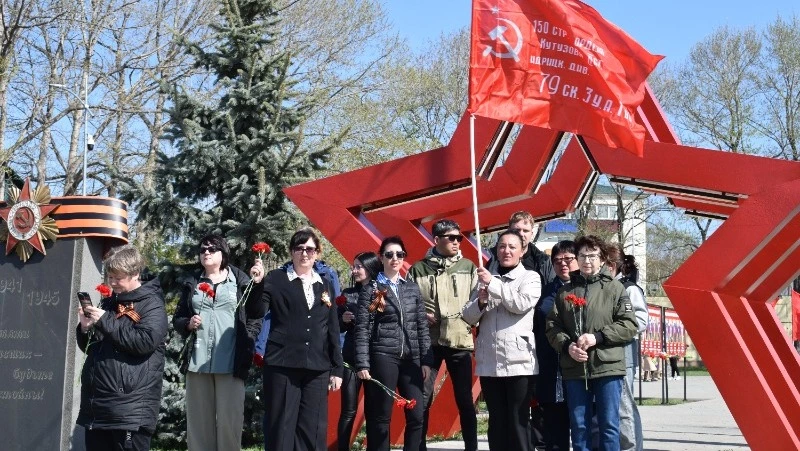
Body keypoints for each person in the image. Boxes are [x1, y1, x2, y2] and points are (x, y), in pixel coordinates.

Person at [172, 234, 266, 450]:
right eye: (202, 249)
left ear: (223, 254)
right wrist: (187, 323)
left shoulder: (240, 279)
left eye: (211, 249)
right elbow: (179, 317)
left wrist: (258, 283)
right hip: (198, 362)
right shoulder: (192, 282)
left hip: (231, 362)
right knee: (199, 427)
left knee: (229, 425)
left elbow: (257, 312)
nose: (206, 252)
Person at [546, 235, 638, 451]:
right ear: (576, 258)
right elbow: (552, 327)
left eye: (593, 255)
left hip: (607, 366)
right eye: (582, 255)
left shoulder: (615, 289)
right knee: (579, 426)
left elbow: (629, 324)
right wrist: (568, 345)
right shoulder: (565, 291)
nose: (587, 261)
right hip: (575, 368)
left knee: (609, 425)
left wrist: (597, 337)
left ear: (602, 258)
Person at [76, 244, 168, 451]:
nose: (113, 283)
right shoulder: (109, 304)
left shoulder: (152, 304)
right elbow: (91, 348)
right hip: (98, 410)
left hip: (130, 412)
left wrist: (106, 321)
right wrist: (85, 328)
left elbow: (144, 342)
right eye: (110, 277)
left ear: (135, 273)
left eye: (118, 277)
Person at [261, 228, 343, 451]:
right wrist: (257, 284)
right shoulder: (276, 278)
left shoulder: (324, 284)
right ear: (291, 252)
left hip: (317, 367)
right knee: (282, 428)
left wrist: (337, 369)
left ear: (317, 252)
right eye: (299, 248)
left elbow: (332, 328)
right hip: (283, 364)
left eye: (309, 249)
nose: (304, 253)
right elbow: (256, 310)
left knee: (314, 429)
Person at [462, 229, 541, 451]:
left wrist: (494, 286)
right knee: (496, 421)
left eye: (512, 247)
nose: (506, 251)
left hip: (519, 362)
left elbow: (520, 304)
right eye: (502, 246)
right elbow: (468, 316)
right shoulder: (486, 279)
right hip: (490, 362)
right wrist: (480, 302)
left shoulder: (531, 278)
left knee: (518, 421)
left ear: (522, 251)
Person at [355, 236, 432, 451]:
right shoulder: (373, 290)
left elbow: (421, 326)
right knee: (381, 417)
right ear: (381, 257)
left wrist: (426, 359)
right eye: (389, 254)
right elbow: (363, 328)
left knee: (417, 415)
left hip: (411, 358)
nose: (395, 258)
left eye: (400, 254)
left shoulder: (411, 289)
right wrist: (363, 363)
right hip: (383, 356)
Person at [407, 219, 478, 451]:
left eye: (459, 238)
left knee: (465, 401)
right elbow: (407, 303)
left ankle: (472, 447)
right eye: (452, 238)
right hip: (428, 344)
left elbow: (478, 303)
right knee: (422, 400)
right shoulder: (418, 269)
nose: (457, 242)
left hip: (459, 340)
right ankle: (419, 447)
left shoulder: (469, 267)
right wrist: (421, 315)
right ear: (436, 240)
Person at [533, 240, 576, 450]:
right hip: (550, 366)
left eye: (568, 259)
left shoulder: (589, 288)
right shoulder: (545, 291)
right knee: (553, 429)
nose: (563, 264)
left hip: (579, 367)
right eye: (557, 260)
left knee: (584, 428)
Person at [337, 251, 383, 451]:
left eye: (359, 266)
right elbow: (336, 326)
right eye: (353, 266)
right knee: (348, 409)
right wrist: (343, 320)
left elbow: (382, 319)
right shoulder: (347, 294)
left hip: (375, 357)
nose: (354, 270)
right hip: (351, 358)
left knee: (375, 410)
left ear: (371, 268)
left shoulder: (381, 292)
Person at [605, 244, 647, 451]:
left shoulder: (629, 288)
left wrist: (610, 329)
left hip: (623, 356)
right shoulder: (599, 287)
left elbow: (640, 320)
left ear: (612, 265)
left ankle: (632, 447)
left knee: (624, 407)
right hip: (602, 357)